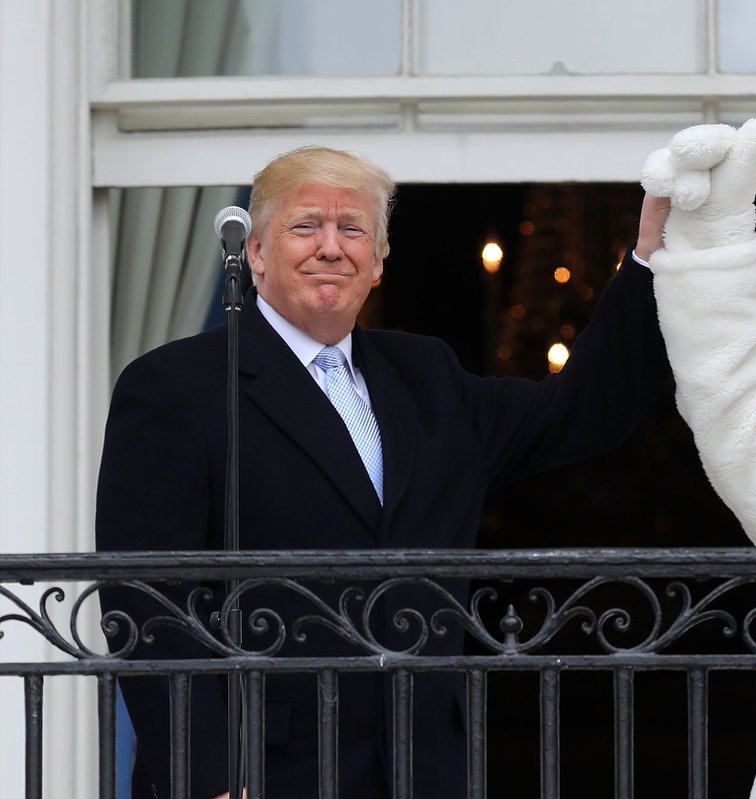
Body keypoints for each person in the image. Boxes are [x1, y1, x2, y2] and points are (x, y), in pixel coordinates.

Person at [96, 146, 671, 799]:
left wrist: (651, 260)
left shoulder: (427, 376)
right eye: (306, 226)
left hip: (424, 767)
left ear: (378, 261)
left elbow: (582, 411)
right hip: (261, 771)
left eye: (353, 229)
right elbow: (145, 597)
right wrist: (205, 779)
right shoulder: (176, 386)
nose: (331, 247)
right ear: (255, 252)